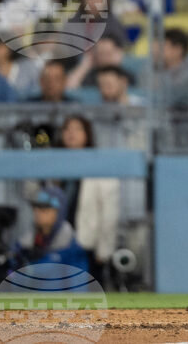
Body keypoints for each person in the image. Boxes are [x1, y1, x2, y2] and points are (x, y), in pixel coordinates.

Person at [55, 115, 120, 282]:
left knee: (90, 296)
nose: (71, 133)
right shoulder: (53, 165)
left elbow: (109, 213)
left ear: (87, 134)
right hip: (57, 244)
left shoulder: (99, 165)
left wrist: (104, 249)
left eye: (77, 129)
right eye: (67, 129)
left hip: (86, 243)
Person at [13, 186, 88, 271]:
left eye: (44, 209)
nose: (37, 212)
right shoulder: (25, 243)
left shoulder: (72, 248)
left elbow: (79, 279)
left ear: (59, 212)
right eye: (35, 208)